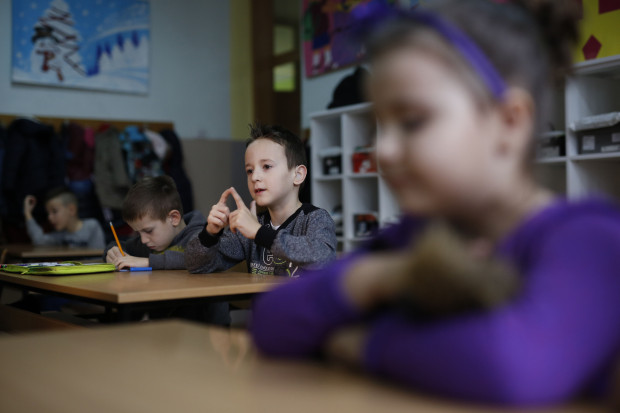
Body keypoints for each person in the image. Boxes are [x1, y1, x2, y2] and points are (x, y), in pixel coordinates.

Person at [250, 0, 620, 406]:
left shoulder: (591, 240)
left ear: (509, 122)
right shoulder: (417, 235)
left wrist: (363, 344)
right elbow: (271, 324)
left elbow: (511, 369)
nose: (383, 151)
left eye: (412, 121)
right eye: (380, 125)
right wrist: (381, 276)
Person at [186, 123, 337, 276]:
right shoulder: (249, 228)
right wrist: (210, 234)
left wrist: (259, 233)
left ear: (297, 175)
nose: (255, 177)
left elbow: (323, 259)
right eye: (249, 170)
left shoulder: (315, 218)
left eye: (266, 166)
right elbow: (196, 265)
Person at [104, 175, 204, 270]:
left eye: (148, 230)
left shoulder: (201, 238)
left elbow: (204, 258)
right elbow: (120, 245)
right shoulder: (148, 244)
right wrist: (113, 253)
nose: (143, 240)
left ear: (174, 218)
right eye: (138, 233)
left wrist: (149, 262)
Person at [24, 186, 105, 248]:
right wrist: (28, 213)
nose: (49, 218)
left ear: (71, 209)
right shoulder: (61, 234)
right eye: (48, 213)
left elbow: (99, 256)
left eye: (54, 211)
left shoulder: (92, 226)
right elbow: (39, 240)